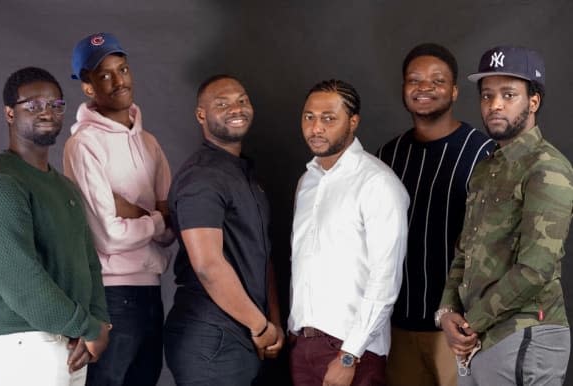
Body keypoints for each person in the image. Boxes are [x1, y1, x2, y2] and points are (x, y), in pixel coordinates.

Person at [437, 46, 573, 386]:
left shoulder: (548, 169)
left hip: (525, 331)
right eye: (487, 96)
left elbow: (536, 268)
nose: (494, 105)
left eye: (509, 94)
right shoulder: (486, 169)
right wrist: (447, 313)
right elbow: (464, 252)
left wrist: (473, 322)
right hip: (477, 336)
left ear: (533, 101)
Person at [0, 67, 110, 386]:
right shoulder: (1, 184)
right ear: (9, 113)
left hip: (73, 341)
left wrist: (99, 323)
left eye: (55, 104)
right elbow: (22, 281)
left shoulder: (63, 186)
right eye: (32, 105)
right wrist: (87, 327)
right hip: (24, 342)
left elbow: (90, 263)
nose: (46, 111)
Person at [377, 43, 494, 386]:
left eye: (437, 80)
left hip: (459, 329)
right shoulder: (386, 157)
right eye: (414, 79)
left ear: (455, 91)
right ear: (403, 89)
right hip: (397, 327)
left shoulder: (483, 153)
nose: (424, 87)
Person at [63, 32, 174, 386]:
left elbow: (173, 227)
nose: (117, 80)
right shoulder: (83, 145)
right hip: (111, 296)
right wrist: (156, 219)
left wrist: (140, 215)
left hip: (152, 293)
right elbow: (108, 235)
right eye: (104, 74)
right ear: (88, 87)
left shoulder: (149, 142)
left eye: (122, 69)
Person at [164, 74, 284, 386]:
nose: (236, 108)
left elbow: (262, 256)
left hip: (242, 332)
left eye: (242, 100)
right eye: (222, 103)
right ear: (201, 115)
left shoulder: (242, 174)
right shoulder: (202, 177)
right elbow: (208, 266)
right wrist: (260, 326)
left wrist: (273, 321)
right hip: (209, 337)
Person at [288, 79, 409, 386]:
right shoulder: (307, 183)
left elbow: (385, 277)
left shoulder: (377, 183)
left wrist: (349, 355)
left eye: (329, 118)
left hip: (352, 352)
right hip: (303, 346)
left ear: (353, 122)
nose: (316, 128)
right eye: (309, 117)